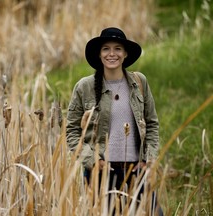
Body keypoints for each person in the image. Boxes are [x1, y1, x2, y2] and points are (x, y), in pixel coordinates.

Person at [66, 27, 162, 214]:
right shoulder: (84, 87)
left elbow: (152, 123)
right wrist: (91, 160)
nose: (112, 54)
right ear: (99, 54)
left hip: (136, 170)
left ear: (125, 54)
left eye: (118, 48)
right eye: (106, 49)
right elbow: (71, 131)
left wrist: (148, 159)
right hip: (100, 171)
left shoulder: (139, 82)